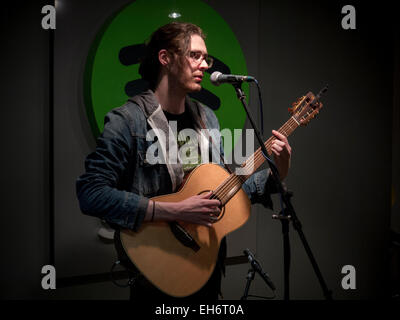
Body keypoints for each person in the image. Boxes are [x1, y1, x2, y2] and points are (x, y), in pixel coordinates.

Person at [76, 22, 292, 301]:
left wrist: (280, 166)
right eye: (195, 55)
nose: (204, 65)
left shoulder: (207, 118)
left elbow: (229, 191)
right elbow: (91, 194)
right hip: (158, 271)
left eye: (206, 57)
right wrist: (175, 210)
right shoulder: (128, 121)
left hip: (206, 267)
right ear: (165, 58)